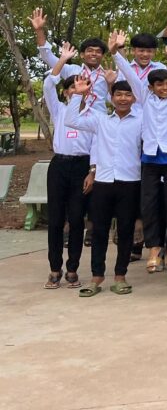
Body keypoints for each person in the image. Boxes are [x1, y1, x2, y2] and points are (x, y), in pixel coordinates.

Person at [111, 29, 167, 274]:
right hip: (150, 158)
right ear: (150, 87)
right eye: (159, 85)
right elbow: (129, 74)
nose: (165, 88)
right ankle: (153, 246)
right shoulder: (143, 97)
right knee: (149, 203)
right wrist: (116, 52)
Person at [65, 76, 142, 297]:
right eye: (119, 94)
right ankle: (96, 276)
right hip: (103, 182)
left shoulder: (141, 120)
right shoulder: (101, 120)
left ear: (134, 98)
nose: (123, 98)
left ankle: (120, 276)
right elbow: (71, 120)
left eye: (127, 95)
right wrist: (78, 94)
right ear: (111, 97)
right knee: (99, 230)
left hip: (130, 181)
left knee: (126, 230)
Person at [41, 44, 94, 290]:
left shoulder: (93, 115)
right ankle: (55, 268)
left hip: (82, 167)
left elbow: (97, 147)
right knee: (55, 219)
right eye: (72, 87)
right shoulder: (59, 110)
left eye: (81, 86)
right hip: (59, 166)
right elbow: (47, 86)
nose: (77, 90)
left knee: (76, 218)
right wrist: (62, 60)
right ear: (65, 93)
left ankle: (72, 268)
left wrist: (92, 172)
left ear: (88, 90)